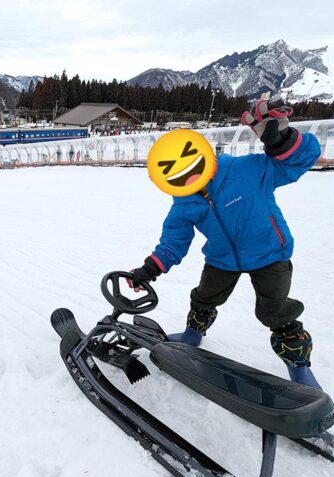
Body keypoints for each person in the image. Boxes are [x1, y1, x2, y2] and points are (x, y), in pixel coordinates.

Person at [129, 100, 323, 388]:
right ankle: (193, 334)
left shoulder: (243, 170)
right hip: (222, 259)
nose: (188, 176)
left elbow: (300, 161)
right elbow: (173, 243)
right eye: (176, 172)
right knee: (204, 298)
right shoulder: (183, 203)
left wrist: (282, 142)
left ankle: (299, 366)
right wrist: (148, 270)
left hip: (269, 252)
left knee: (275, 311)